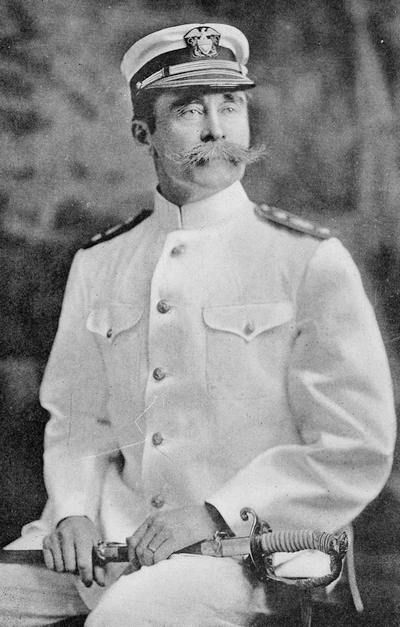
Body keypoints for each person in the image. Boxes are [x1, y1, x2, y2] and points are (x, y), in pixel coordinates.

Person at [0, 22, 396, 626]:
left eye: (230, 105)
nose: (216, 128)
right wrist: (74, 509)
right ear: (144, 132)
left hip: (250, 550)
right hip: (111, 536)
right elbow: (79, 418)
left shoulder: (307, 259)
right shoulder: (101, 262)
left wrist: (215, 512)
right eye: (188, 110)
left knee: (128, 620)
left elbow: (354, 445)